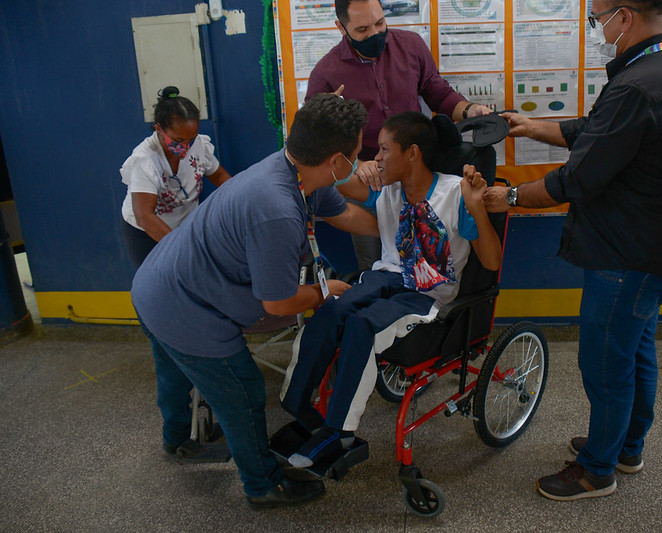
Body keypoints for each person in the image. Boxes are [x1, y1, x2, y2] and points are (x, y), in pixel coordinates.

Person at [483, 0, 662, 501]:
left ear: (625, 16)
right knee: (634, 352)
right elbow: (594, 132)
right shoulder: (660, 69)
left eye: (598, 17)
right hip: (649, 249)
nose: (596, 27)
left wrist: (509, 198)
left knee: (605, 365)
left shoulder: (638, 86)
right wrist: (528, 124)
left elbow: (577, 178)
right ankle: (626, 445)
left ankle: (596, 470)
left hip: (625, 258)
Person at [131, 94, 378, 510]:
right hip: (186, 308)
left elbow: (351, 217)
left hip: (156, 285)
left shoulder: (296, 172)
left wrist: (402, 231)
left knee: (176, 372)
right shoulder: (278, 209)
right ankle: (261, 485)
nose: (360, 161)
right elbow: (279, 302)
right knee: (242, 391)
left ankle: (176, 440)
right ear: (337, 161)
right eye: (357, 155)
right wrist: (325, 291)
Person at [279, 111, 502, 467]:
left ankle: (340, 432)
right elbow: (336, 178)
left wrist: (476, 208)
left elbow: (491, 263)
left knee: (361, 326)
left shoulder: (453, 194)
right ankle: (297, 403)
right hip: (384, 277)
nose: (378, 157)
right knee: (331, 310)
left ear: (412, 153)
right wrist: (345, 154)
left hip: (426, 292)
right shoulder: (386, 191)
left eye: (384, 150)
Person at [305, 0, 492, 270]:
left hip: (418, 174)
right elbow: (317, 147)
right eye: (362, 30)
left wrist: (469, 110)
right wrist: (356, 166)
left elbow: (436, 90)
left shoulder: (411, 45)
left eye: (380, 23)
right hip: (367, 184)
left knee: (434, 258)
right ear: (340, 27)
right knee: (377, 263)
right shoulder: (326, 74)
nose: (375, 34)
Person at [120, 86, 231, 267]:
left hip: (184, 225)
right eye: (179, 141)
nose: (186, 147)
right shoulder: (145, 160)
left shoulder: (199, 146)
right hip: (147, 233)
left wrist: (240, 201)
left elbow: (220, 178)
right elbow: (145, 216)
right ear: (159, 129)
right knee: (158, 284)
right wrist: (180, 246)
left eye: (191, 139)